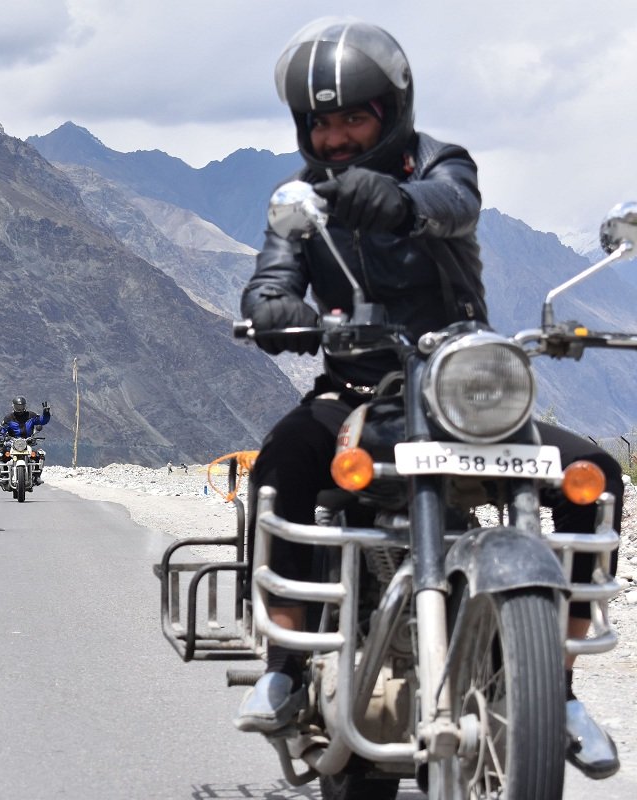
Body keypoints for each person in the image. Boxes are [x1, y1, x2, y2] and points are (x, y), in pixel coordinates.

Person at [234, 17, 621, 779]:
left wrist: (402, 204)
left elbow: (455, 203)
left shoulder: (442, 163)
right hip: (358, 390)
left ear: (392, 111)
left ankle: (561, 691)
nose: (338, 137)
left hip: (462, 389)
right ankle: (283, 667)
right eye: (323, 123)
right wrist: (276, 309)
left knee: (594, 475)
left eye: (354, 117)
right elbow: (273, 275)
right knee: (282, 465)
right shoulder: (299, 200)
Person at [0, 397, 50, 484]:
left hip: (27, 442)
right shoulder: (8, 418)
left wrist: (46, 413)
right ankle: (4, 475)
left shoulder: (31, 415)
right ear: (13, 406)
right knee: (1, 453)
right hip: (12, 443)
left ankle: (36, 476)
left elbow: (42, 421)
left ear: (25, 406)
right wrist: (0, 438)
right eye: (18, 406)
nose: (20, 409)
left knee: (39, 454)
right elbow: (3, 430)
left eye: (21, 406)